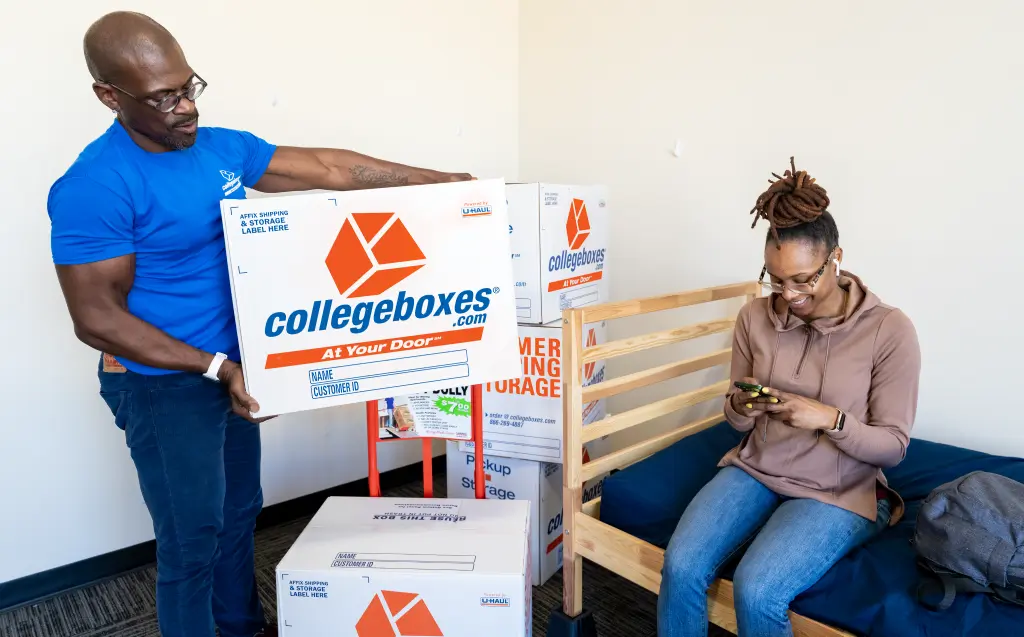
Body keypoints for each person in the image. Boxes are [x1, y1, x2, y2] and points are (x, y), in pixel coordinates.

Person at [47, 11, 475, 637]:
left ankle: (244, 628)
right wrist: (216, 367)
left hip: (231, 370)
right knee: (192, 539)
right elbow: (97, 318)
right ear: (109, 96)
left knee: (241, 511)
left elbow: (327, 169)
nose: (184, 108)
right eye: (163, 98)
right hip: (161, 381)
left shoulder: (218, 147)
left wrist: (440, 183)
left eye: (189, 86)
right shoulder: (96, 184)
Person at [657, 158, 921, 637]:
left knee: (757, 589)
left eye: (804, 279)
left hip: (840, 491)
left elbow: (894, 446)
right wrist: (741, 407)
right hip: (757, 469)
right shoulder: (754, 318)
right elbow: (735, 417)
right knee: (681, 564)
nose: (790, 293)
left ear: (836, 257)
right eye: (776, 279)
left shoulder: (889, 330)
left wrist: (830, 419)